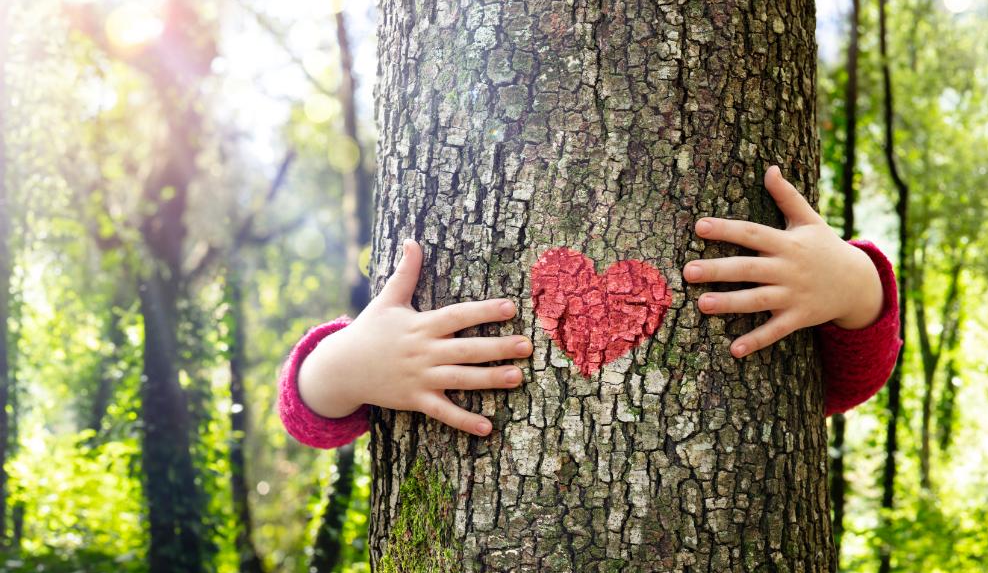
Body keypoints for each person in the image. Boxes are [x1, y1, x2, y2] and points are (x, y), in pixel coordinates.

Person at [277, 166, 902, 449]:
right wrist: (347, 365)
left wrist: (852, 282)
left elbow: (847, 381)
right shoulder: (401, 355)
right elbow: (306, 412)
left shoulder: (791, 294)